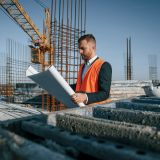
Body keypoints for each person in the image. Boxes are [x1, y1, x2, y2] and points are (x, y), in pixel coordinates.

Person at [71, 34, 112, 105]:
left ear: (93, 47)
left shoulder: (104, 65)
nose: (80, 51)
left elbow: (105, 93)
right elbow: (80, 86)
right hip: (80, 108)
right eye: (79, 49)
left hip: (95, 110)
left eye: (83, 48)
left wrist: (86, 97)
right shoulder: (82, 66)